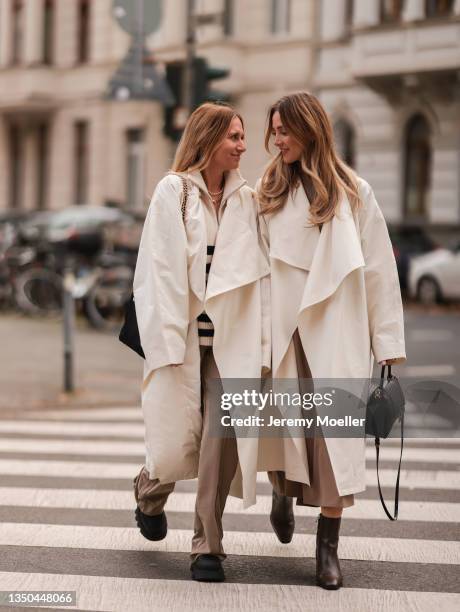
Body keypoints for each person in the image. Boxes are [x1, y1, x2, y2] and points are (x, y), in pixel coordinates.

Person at [256, 92, 406, 590]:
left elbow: (381, 269)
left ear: (310, 128)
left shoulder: (354, 193)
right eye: (273, 131)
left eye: (285, 131)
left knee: (332, 444)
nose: (277, 140)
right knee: (284, 433)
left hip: (336, 332)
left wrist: (387, 343)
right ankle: (281, 492)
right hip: (283, 331)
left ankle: (327, 548)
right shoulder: (268, 189)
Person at [132, 102, 270, 582]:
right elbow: (160, 272)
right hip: (183, 336)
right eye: (234, 136)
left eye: (243, 136)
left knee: (220, 436)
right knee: (174, 438)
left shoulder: (246, 199)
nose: (242, 146)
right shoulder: (175, 192)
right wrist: (166, 342)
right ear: (208, 138)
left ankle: (206, 545)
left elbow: (259, 277)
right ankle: (149, 491)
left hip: (229, 342)